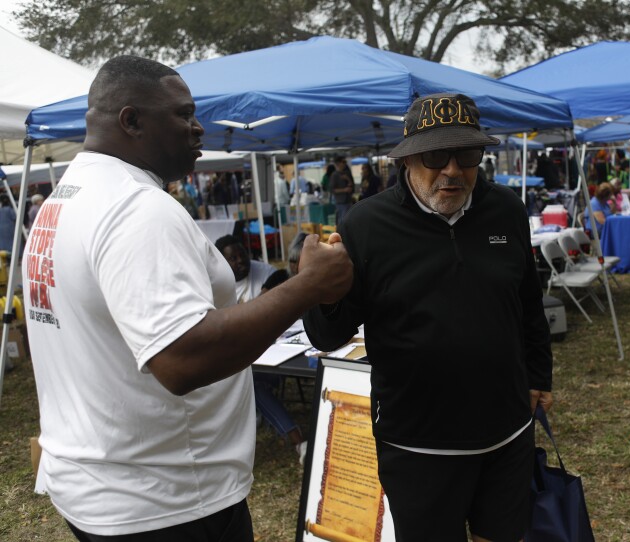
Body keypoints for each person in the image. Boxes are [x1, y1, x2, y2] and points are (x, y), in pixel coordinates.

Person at [22, 55, 352, 540]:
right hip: (169, 502)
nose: (200, 129)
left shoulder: (65, 198)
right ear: (131, 120)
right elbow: (182, 359)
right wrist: (308, 286)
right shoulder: (137, 209)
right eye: (184, 115)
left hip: (98, 483)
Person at [304, 92, 553, 542]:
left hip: (506, 431)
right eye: (436, 155)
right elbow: (328, 334)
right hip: (416, 442)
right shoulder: (366, 226)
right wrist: (317, 291)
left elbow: (528, 303)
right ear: (408, 159)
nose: (453, 170)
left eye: (467, 154)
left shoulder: (506, 211)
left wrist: (540, 375)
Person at [215, 235, 308, 464]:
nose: (240, 261)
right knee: (250, 380)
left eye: (242, 255)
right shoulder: (215, 285)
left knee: (250, 381)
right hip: (260, 355)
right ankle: (299, 442)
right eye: (233, 259)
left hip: (290, 349)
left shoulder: (267, 272)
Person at [329, 156, 354, 223]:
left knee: (349, 219)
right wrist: (344, 190)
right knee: (342, 220)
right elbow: (332, 190)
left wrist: (348, 179)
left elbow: (352, 186)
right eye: (343, 162)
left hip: (349, 200)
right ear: (338, 163)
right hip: (340, 202)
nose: (345, 163)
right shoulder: (334, 175)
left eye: (345, 162)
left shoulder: (347, 173)